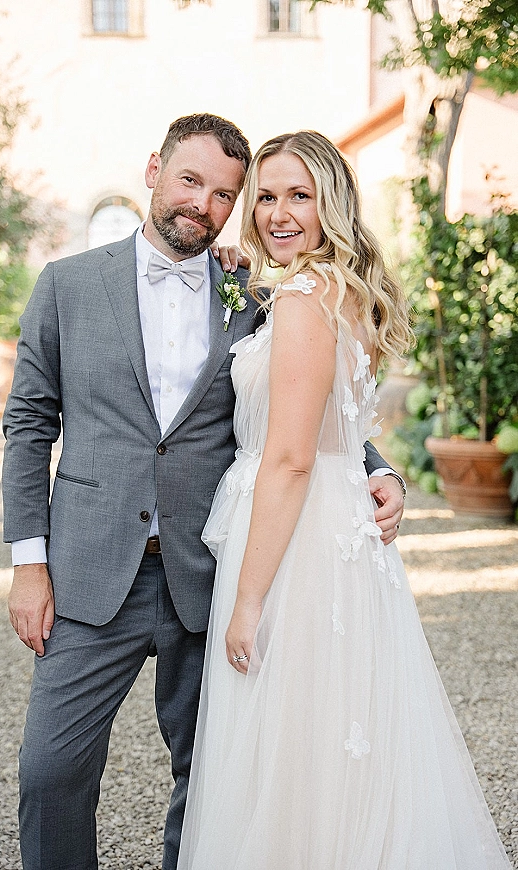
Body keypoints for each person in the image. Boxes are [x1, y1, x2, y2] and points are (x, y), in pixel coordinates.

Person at [2, 114, 405, 870]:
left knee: (215, 772)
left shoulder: (256, 290)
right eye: (191, 181)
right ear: (153, 169)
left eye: (225, 194)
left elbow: (304, 404)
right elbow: (27, 425)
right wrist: (30, 560)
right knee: (49, 770)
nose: (204, 205)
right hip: (88, 569)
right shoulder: (67, 284)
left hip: (212, 569)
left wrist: (378, 467)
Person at [177, 131, 512, 869]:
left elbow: (293, 459)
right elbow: (337, 430)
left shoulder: (303, 298)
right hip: (336, 529)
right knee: (336, 738)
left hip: (292, 545)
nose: (277, 212)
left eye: (300, 195)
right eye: (265, 196)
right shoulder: (334, 291)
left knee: (290, 744)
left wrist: (249, 600)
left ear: (333, 202)